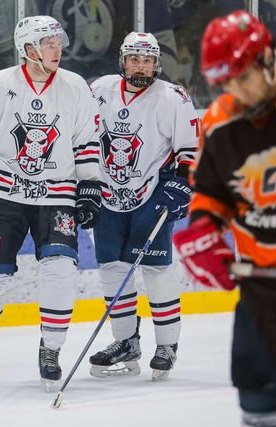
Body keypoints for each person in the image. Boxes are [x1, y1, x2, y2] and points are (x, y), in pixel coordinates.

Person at [173, 10, 276, 426]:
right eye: (225, 82)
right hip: (262, 281)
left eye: (243, 77)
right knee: (258, 405)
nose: (236, 91)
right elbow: (213, 193)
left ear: (268, 58)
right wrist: (203, 228)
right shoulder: (219, 121)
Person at [0, 15, 101, 391]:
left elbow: (86, 140)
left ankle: (51, 350)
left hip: (57, 194)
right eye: (49, 44)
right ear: (28, 49)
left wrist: (90, 185)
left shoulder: (75, 87)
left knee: (60, 270)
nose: (57, 49)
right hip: (2, 195)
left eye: (58, 43)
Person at [88, 32, 199, 380]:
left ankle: (166, 345)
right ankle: (125, 341)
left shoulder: (172, 98)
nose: (141, 66)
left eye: (148, 61)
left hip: (151, 193)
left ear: (156, 64)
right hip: (106, 193)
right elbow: (82, 136)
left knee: (156, 269)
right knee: (112, 268)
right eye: (134, 59)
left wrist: (182, 183)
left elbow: (190, 148)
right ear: (123, 61)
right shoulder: (100, 90)